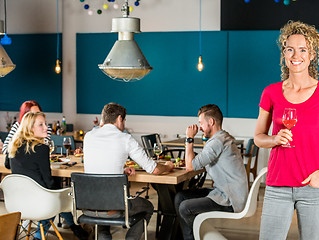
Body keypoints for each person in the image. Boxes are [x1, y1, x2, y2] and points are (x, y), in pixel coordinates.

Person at [254, 21, 319, 240]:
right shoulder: (270, 92)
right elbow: (258, 138)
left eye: (303, 49)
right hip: (278, 185)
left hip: (313, 185)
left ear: (312, 54)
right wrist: (275, 139)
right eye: (290, 49)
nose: (296, 55)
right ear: (284, 54)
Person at [83, 102, 174, 240]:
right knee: (148, 207)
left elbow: (99, 164)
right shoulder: (125, 139)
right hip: (114, 207)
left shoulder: (88, 136)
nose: (124, 124)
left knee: (101, 209)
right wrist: (168, 166)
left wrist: (120, 170)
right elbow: (154, 169)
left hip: (88, 205)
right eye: (124, 120)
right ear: (119, 119)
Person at [8, 111, 88, 240]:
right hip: (39, 204)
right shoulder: (41, 148)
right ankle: (39, 237)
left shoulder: (13, 146)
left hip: (17, 203)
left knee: (56, 195)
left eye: (45, 124)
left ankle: (75, 227)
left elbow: (7, 165)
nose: (46, 128)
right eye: (41, 125)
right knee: (59, 195)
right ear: (30, 128)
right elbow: (48, 182)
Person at [174, 104, 248, 240]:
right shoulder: (221, 137)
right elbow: (200, 161)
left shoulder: (217, 142)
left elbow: (190, 166)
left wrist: (189, 138)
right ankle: (189, 237)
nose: (200, 127)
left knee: (185, 207)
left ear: (211, 122)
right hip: (225, 192)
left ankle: (197, 234)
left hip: (230, 199)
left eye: (201, 123)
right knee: (180, 197)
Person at [2, 100, 52, 168]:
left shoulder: (45, 128)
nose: (36, 116)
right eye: (32, 114)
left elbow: (44, 148)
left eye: (38, 113)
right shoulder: (17, 126)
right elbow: (5, 149)